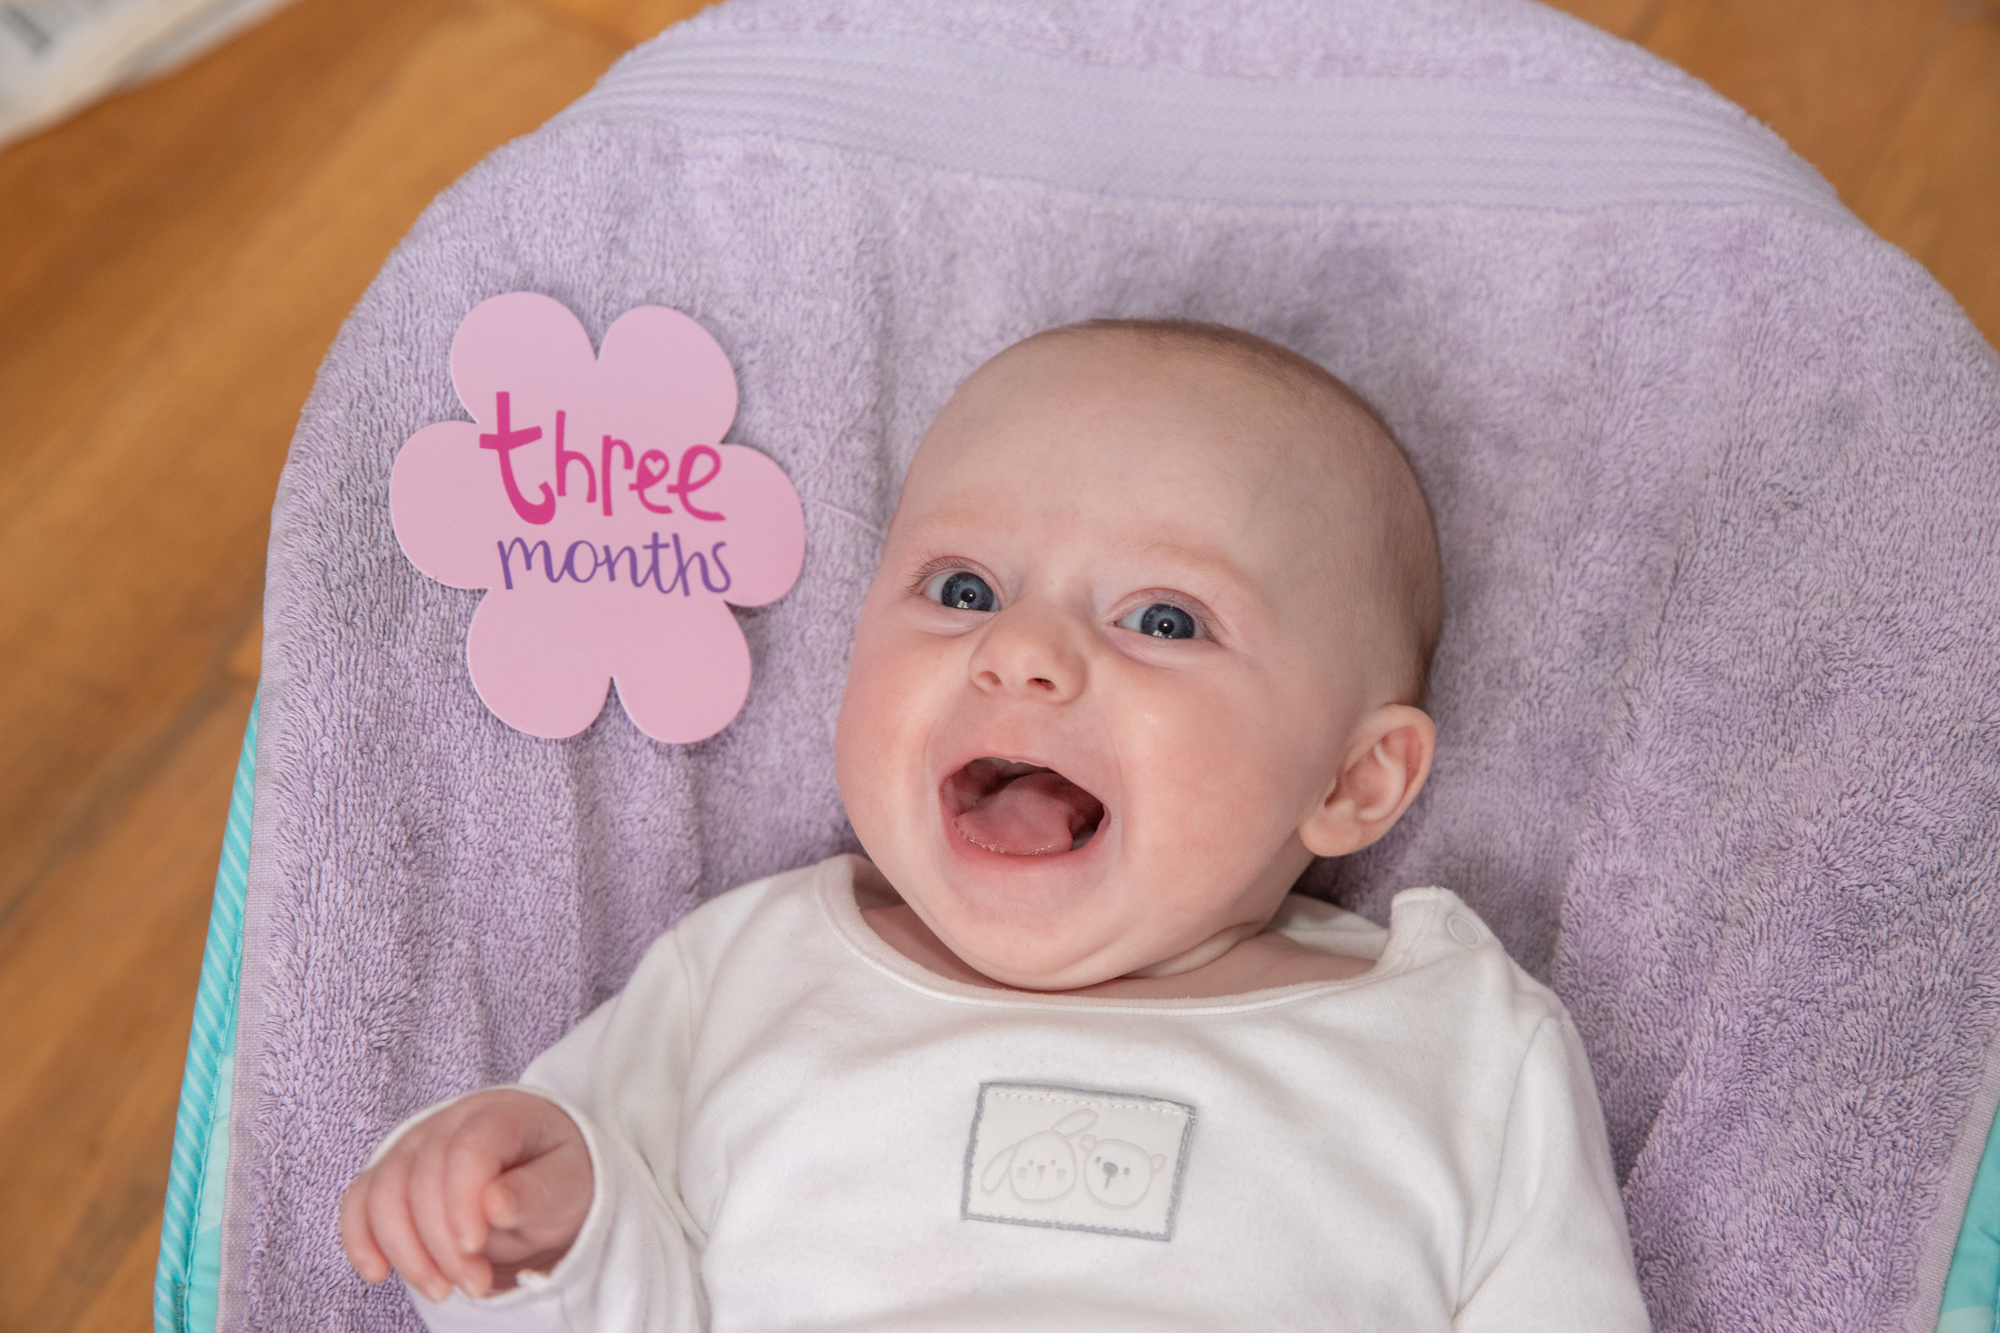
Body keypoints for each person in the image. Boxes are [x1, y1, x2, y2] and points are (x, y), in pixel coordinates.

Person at [340, 319, 1652, 1329]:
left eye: (1163, 618)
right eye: (962, 588)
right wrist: (535, 1230)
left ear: (1355, 780)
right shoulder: (745, 974)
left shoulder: (1459, 1043)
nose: (1019, 649)